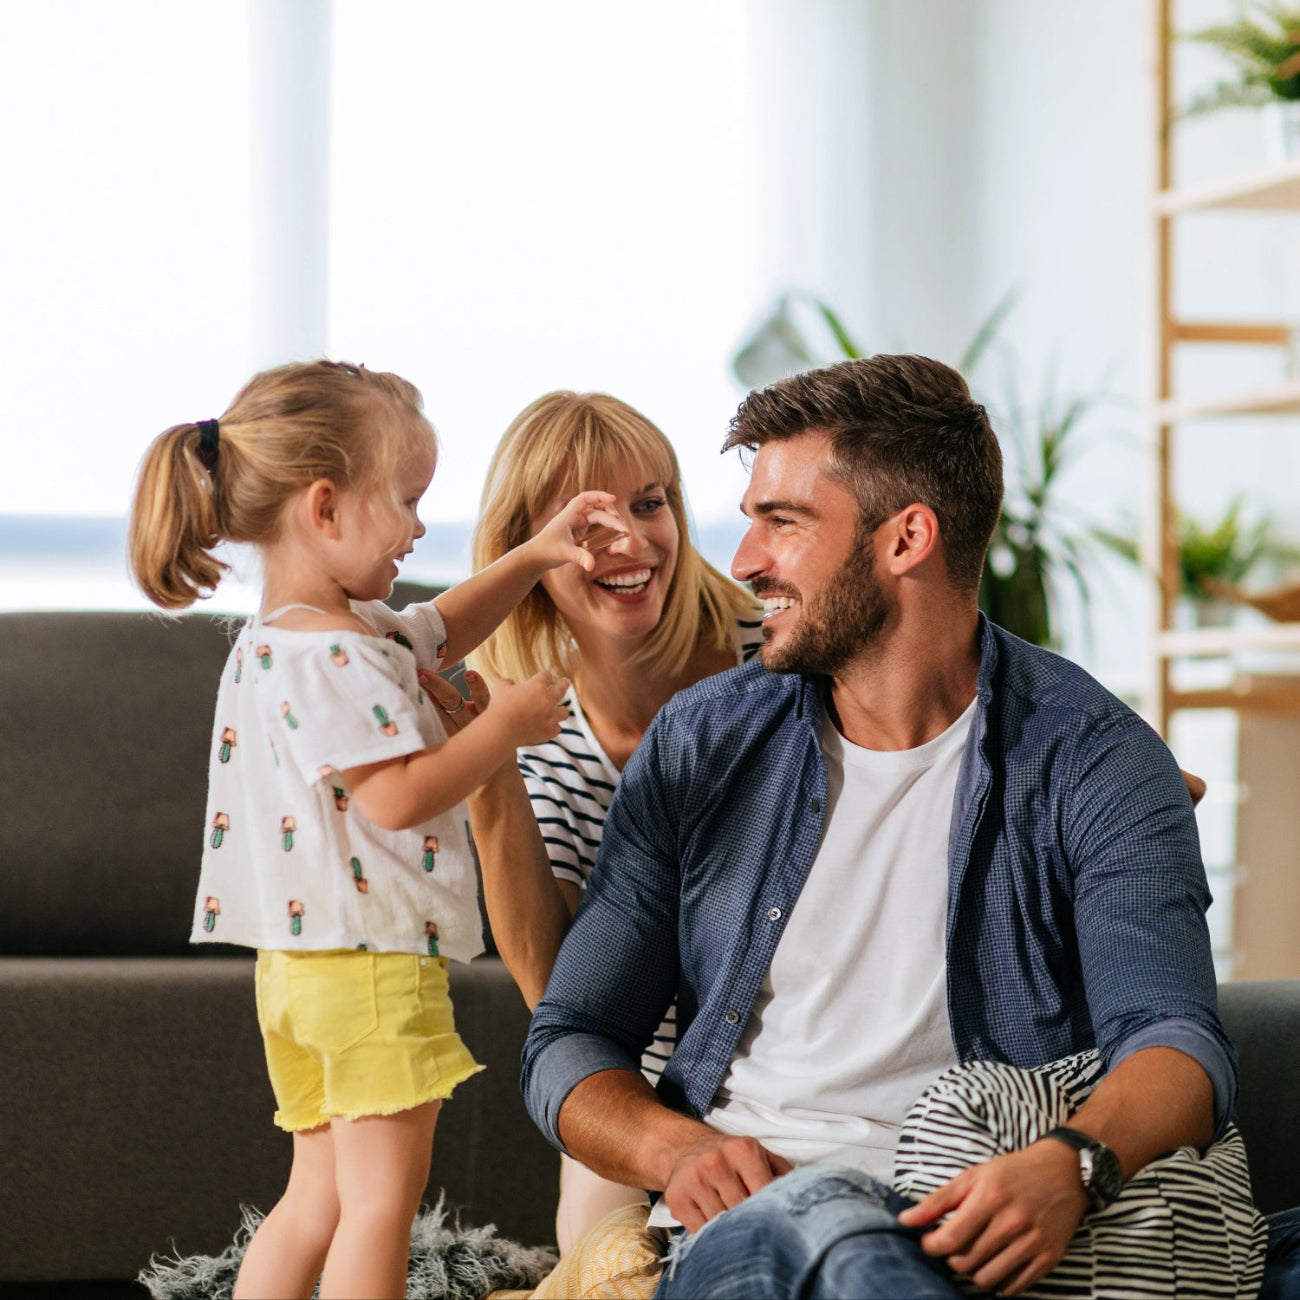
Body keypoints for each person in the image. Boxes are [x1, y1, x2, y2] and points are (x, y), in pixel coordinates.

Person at [519, 354, 1245, 1298]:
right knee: (838, 1237)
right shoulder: (702, 745)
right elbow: (571, 1035)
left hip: (973, 1213)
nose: (743, 564)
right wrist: (678, 1149)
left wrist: (1069, 1162)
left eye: (782, 523)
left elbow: (1176, 1040)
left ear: (906, 539)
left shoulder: (1095, 759)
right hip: (759, 1227)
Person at [127, 360, 624, 1300]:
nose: (419, 526)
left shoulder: (296, 637)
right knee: (380, 1209)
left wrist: (534, 556)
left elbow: (439, 627)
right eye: (405, 499)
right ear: (325, 508)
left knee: (314, 1199)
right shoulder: (340, 654)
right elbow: (394, 798)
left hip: (298, 974)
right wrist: (505, 728)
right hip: (370, 971)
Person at [418, 390, 763, 1252]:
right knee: (595, 1249)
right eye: (588, 522)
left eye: (652, 504)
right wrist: (489, 775)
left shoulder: (775, 653)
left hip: (788, 1050)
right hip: (640, 1091)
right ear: (523, 553)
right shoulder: (537, 729)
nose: (632, 541)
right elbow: (559, 1001)